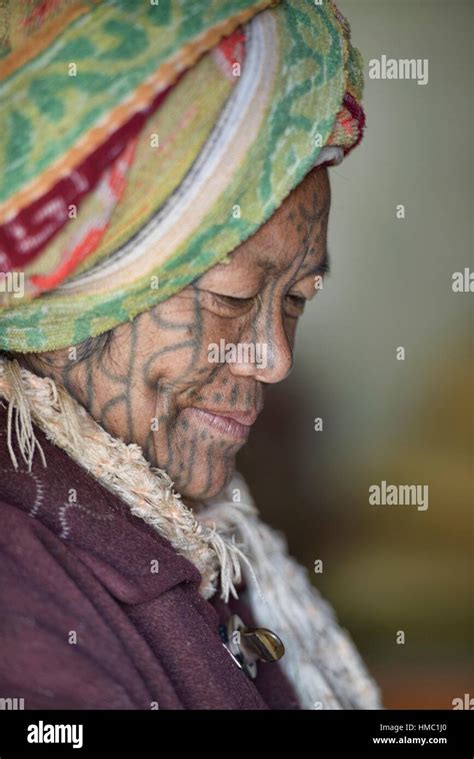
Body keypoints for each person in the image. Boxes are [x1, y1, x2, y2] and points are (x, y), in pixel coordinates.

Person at [0, 0, 381, 710]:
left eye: (296, 300)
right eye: (233, 295)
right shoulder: (20, 602)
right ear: (76, 289)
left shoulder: (192, 532)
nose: (275, 359)